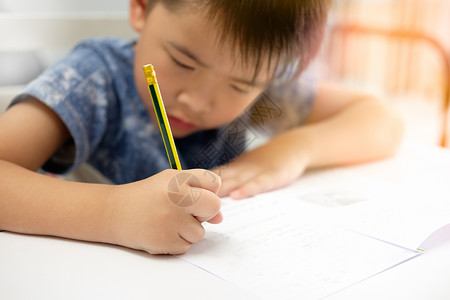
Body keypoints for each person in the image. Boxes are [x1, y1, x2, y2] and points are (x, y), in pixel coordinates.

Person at [0, 0, 404, 255]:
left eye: (240, 85)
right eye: (184, 62)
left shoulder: (264, 92)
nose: (199, 100)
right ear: (141, 7)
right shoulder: (95, 79)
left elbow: (382, 119)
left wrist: (291, 150)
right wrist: (113, 212)